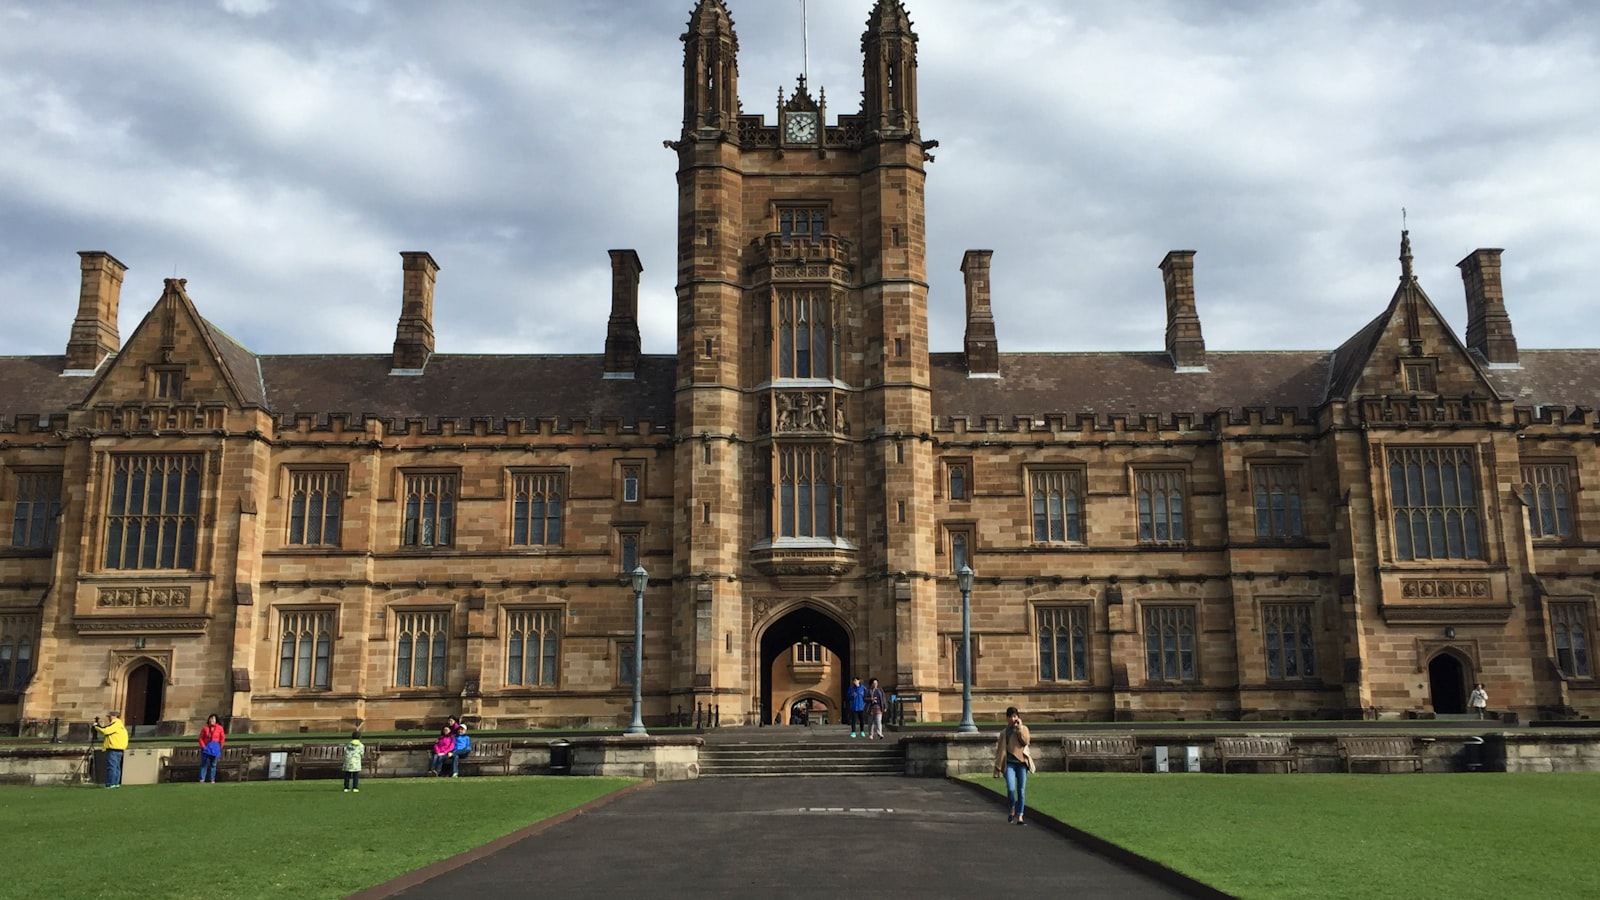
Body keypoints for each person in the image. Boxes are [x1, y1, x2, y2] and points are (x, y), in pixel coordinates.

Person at [992, 706, 1031, 825]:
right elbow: (1000, 751)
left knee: (1021, 791)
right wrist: (997, 767)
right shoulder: (1004, 733)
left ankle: (1020, 816)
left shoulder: (1023, 729)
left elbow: (1026, 741)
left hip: (1021, 764)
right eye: (1011, 717)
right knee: (1010, 788)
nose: (1013, 719)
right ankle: (1012, 808)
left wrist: (1019, 728)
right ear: (1007, 718)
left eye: (1015, 716)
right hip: (1009, 764)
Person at [92, 711, 129, 789]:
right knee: (116, 767)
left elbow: (106, 731)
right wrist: (100, 727)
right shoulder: (120, 725)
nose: (108, 718)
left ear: (114, 716)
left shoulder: (116, 724)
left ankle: (110, 783)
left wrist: (96, 727)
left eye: (109, 716)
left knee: (112, 767)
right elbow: (107, 730)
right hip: (119, 749)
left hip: (113, 748)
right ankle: (115, 783)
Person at [197, 714, 226, 783]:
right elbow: (200, 738)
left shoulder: (220, 728)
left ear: (216, 720)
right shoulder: (205, 728)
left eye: (213, 719)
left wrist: (220, 747)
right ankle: (202, 779)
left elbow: (222, 738)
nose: (211, 720)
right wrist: (203, 746)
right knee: (204, 764)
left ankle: (212, 779)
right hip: (206, 748)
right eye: (210, 718)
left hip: (214, 748)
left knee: (213, 764)